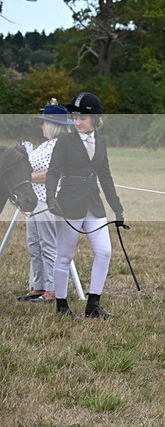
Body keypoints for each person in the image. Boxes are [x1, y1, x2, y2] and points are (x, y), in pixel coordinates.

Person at [45, 92, 124, 320]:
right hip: (68, 203)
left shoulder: (101, 142)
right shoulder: (65, 141)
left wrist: (117, 208)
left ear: (95, 119)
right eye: (75, 117)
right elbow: (53, 172)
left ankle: (93, 305)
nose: (78, 122)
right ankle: (61, 306)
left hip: (93, 203)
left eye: (83, 118)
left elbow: (105, 176)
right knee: (64, 255)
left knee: (104, 251)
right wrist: (51, 198)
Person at [17, 101, 73, 304]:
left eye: (44, 123)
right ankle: (38, 286)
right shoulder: (45, 145)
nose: (41, 127)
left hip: (49, 199)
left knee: (49, 245)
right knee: (34, 245)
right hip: (35, 200)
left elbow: (52, 173)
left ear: (53, 124)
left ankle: (52, 289)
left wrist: (26, 177)